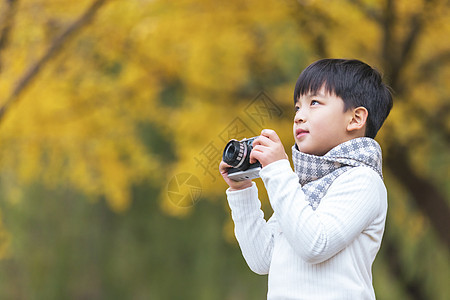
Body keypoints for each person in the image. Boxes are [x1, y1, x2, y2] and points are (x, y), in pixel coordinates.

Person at [219, 58, 393, 299]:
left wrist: (279, 169)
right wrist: (242, 190)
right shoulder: (304, 187)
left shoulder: (363, 180)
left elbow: (315, 245)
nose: (299, 116)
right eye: (297, 107)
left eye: (314, 102)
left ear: (355, 119)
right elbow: (262, 259)